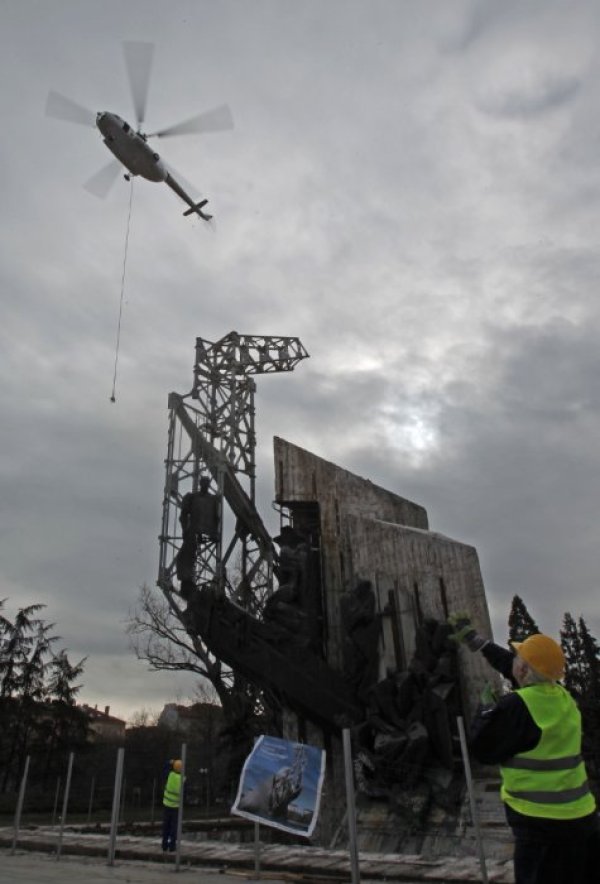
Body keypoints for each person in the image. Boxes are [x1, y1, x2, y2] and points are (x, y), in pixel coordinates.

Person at [448, 613, 599, 884]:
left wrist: (486, 709)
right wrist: (479, 643)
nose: (514, 661)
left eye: (518, 657)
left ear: (524, 670)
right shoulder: (563, 698)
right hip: (584, 820)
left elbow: (482, 749)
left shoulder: (517, 707)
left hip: (541, 829)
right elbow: (516, 667)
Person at [161, 758, 182, 853]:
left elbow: (165, 768)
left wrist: (169, 763)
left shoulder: (169, 775)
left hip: (167, 805)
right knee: (174, 828)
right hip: (176, 807)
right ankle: (172, 846)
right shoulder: (182, 779)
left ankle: (164, 845)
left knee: (166, 826)